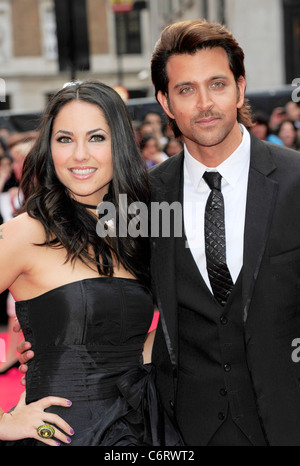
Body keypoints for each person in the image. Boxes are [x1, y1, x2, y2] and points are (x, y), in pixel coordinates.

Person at [1, 80, 182, 446]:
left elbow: (137, 343)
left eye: (96, 137)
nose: (79, 154)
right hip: (62, 435)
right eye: (64, 139)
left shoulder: (135, 229)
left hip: (140, 429)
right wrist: (3, 422)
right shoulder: (25, 233)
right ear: (49, 148)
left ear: (119, 143)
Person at [147, 19, 300, 446]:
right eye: (185, 89)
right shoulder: (146, 198)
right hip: (186, 432)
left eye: (216, 84)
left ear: (240, 88)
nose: (204, 103)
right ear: (165, 101)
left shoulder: (294, 181)